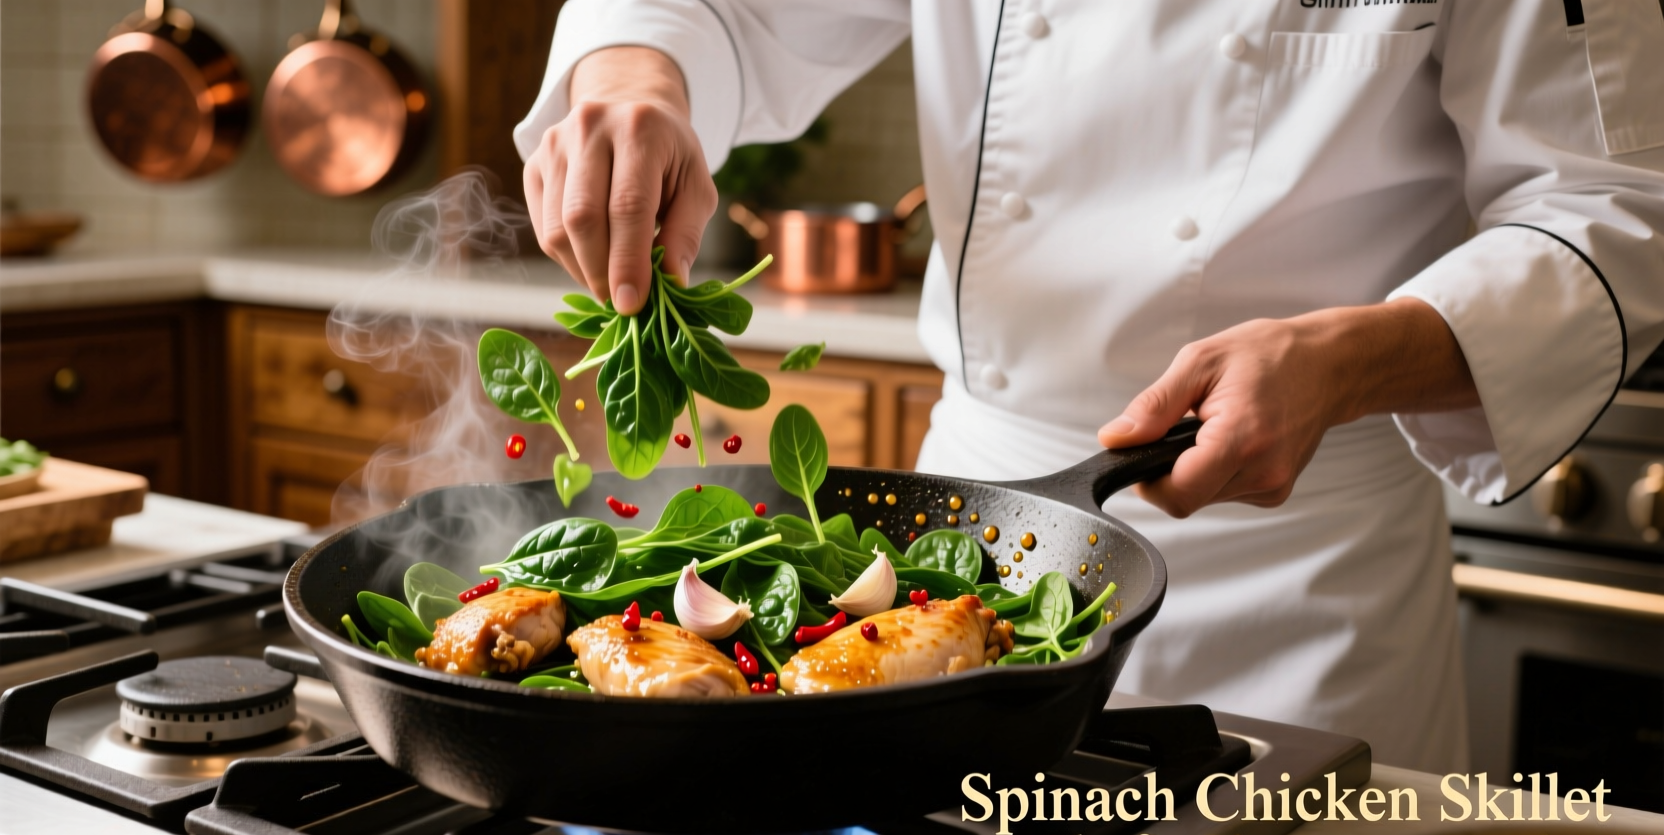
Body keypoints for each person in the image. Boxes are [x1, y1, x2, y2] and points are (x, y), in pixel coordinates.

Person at [513, 1, 1664, 770]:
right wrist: (635, 75)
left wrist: (1346, 359)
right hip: (953, 557)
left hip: (1295, 576)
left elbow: (1614, 211)